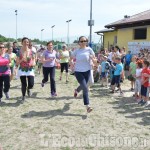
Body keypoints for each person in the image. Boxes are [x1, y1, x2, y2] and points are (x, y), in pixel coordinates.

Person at [72, 36, 95, 113]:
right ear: (79, 42)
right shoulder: (77, 51)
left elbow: (94, 58)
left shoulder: (89, 49)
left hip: (87, 70)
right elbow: (71, 57)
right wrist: (71, 63)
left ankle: (77, 90)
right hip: (78, 71)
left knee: (84, 85)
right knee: (85, 88)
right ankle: (87, 106)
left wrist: (92, 58)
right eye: (81, 41)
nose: (83, 42)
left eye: (84, 41)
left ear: (86, 42)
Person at [16, 37, 36, 102]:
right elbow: (17, 62)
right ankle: (23, 96)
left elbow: (34, 60)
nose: (26, 43)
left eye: (27, 42)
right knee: (23, 83)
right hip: (22, 69)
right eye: (24, 42)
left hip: (30, 69)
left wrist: (33, 64)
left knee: (31, 84)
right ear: (22, 43)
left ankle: (29, 89)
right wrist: (22, 59)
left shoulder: (32, 51)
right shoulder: (19, 52)